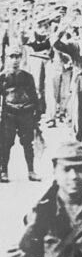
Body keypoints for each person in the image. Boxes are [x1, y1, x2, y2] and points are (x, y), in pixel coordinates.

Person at [0, 44, 41, 181]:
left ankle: (31, 171)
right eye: (12, 57)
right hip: (9, 114)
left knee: (28, 143)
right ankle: (4, 171)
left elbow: (34, 95)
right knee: (5, 143)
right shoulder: (3, 77)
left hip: (26, 113)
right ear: (7, 58)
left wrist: (37, 112)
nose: (15, 60)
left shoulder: (27, 76)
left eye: (18, 56)